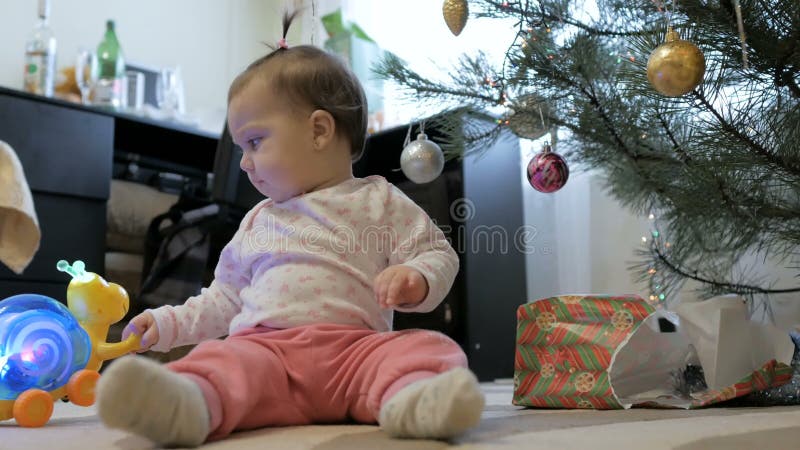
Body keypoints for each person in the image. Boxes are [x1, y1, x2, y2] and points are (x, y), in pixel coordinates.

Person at [96, 11, 484, 448]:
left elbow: (438, 254)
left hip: (356, 354)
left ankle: (416, 400)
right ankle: (185, 403)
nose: (244, 161)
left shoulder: (379, 200)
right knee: (219, 362)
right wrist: (165, 324)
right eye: (241, 147)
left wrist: (416, 278)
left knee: (428, 349)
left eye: (255, 142)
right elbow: (223, 298)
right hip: (266, 356)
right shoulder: (259, 220)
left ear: (319, 130)